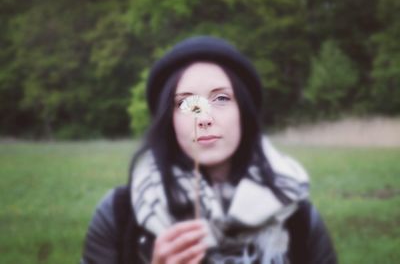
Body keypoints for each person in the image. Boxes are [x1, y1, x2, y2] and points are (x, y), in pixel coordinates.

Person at [81, 36, 337, 264]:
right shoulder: (120, 214)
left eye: (221, 98)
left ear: (244, 112)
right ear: (168, 119)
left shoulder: (295, 214)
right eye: (187, 103)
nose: (203, 118)